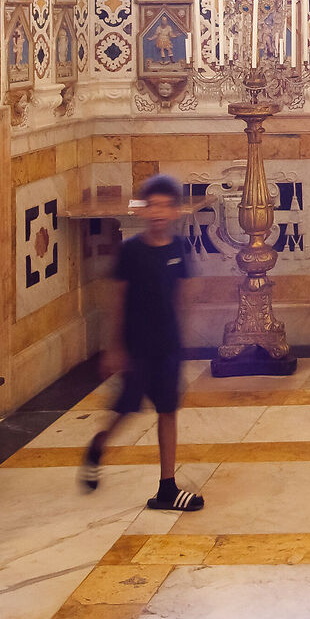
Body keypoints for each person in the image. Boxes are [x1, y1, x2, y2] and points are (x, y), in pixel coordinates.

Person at [82, 173, 206, 511]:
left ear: (176, 212)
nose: (159, 213)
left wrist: (185, 337)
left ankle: (167, 486)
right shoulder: (131, 252)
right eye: (153, 206)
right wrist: (114, 347)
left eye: (166, 207)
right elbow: (117, 300)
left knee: (168, 410)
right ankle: (99, 444)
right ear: (143, 211)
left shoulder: (180, 248)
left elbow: (183, 292)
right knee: (127, 407)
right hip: (136, 346)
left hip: (168, 345)